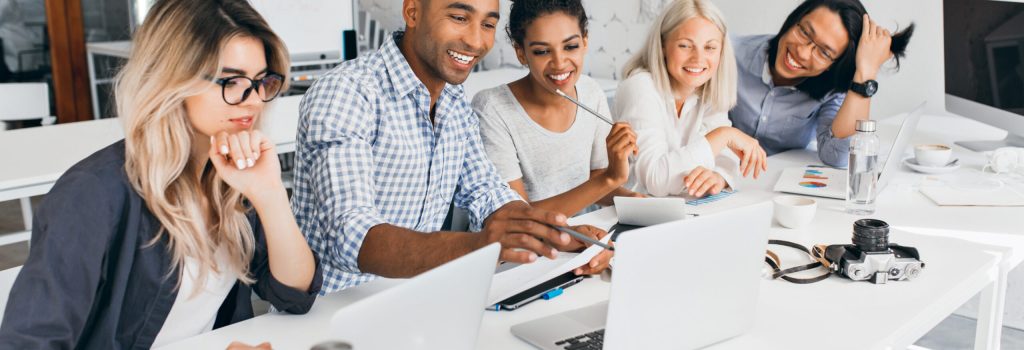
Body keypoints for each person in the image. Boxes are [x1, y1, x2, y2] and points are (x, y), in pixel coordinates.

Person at [0, 0, 321, 349]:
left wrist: (270, 193)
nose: (255, 101)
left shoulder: (231, 175)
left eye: (261, 82)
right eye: (231, 81)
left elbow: (294, 295)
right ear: (172, 79)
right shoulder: (92, 195)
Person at [293, 0, 611, 294]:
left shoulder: (453, 102)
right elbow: (350, 236)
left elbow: (490, 195)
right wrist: (480, 246)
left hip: (419, 300)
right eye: (459, 18)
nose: (476, 41)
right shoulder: (347, 92)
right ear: (413, 11)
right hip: (333, 311)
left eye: (487, 24)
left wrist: (558, 236)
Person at [472, 0, 642, 219]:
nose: (560, 63)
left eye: (570, 46)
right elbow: (517, 218)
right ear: (521, 53)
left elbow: (595, 180)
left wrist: (632, 199)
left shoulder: (591, 92)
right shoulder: (492, 109)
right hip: (522, 246)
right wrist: (610, 178)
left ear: (585, 42)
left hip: (582, 237)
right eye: (542, 51)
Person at [730, 0, 914, 167]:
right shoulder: (728, 53)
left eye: (824, 53)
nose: (802, 53)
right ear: (794, 20)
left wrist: (865, 73)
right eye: (804, 32)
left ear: (833, 65)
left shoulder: (831, 89)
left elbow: (838, 156)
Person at [614, 0, 767, 198]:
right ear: (662, 46)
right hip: (629, 215)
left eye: (710, 48)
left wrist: (718, 176)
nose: (698, 58)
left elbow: (725, 158)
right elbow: (656, 180)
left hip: (682, 209)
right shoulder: (640, 87)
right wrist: (723, 136)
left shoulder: (706, 87)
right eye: (685, 45)